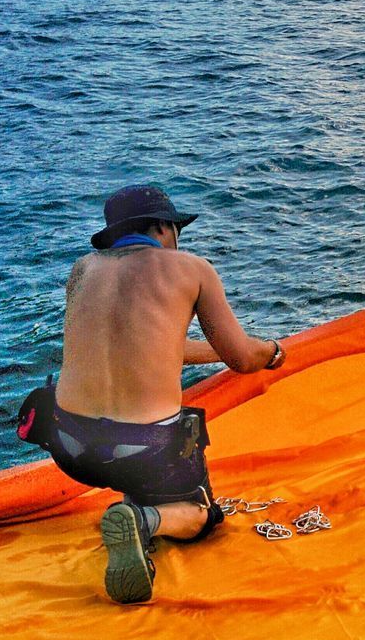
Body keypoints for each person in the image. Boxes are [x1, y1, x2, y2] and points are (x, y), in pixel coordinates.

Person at [24, 185, 286, 604]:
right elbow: (241, 358)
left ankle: (134, 510)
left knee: (124, 443)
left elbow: (151, 348)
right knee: (202, 515)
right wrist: (273, 352)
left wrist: (214, 352)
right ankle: (145, 520)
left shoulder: (82, 270)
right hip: (141, 452)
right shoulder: (191, 268)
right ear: (164, 227)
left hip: (70, 447)